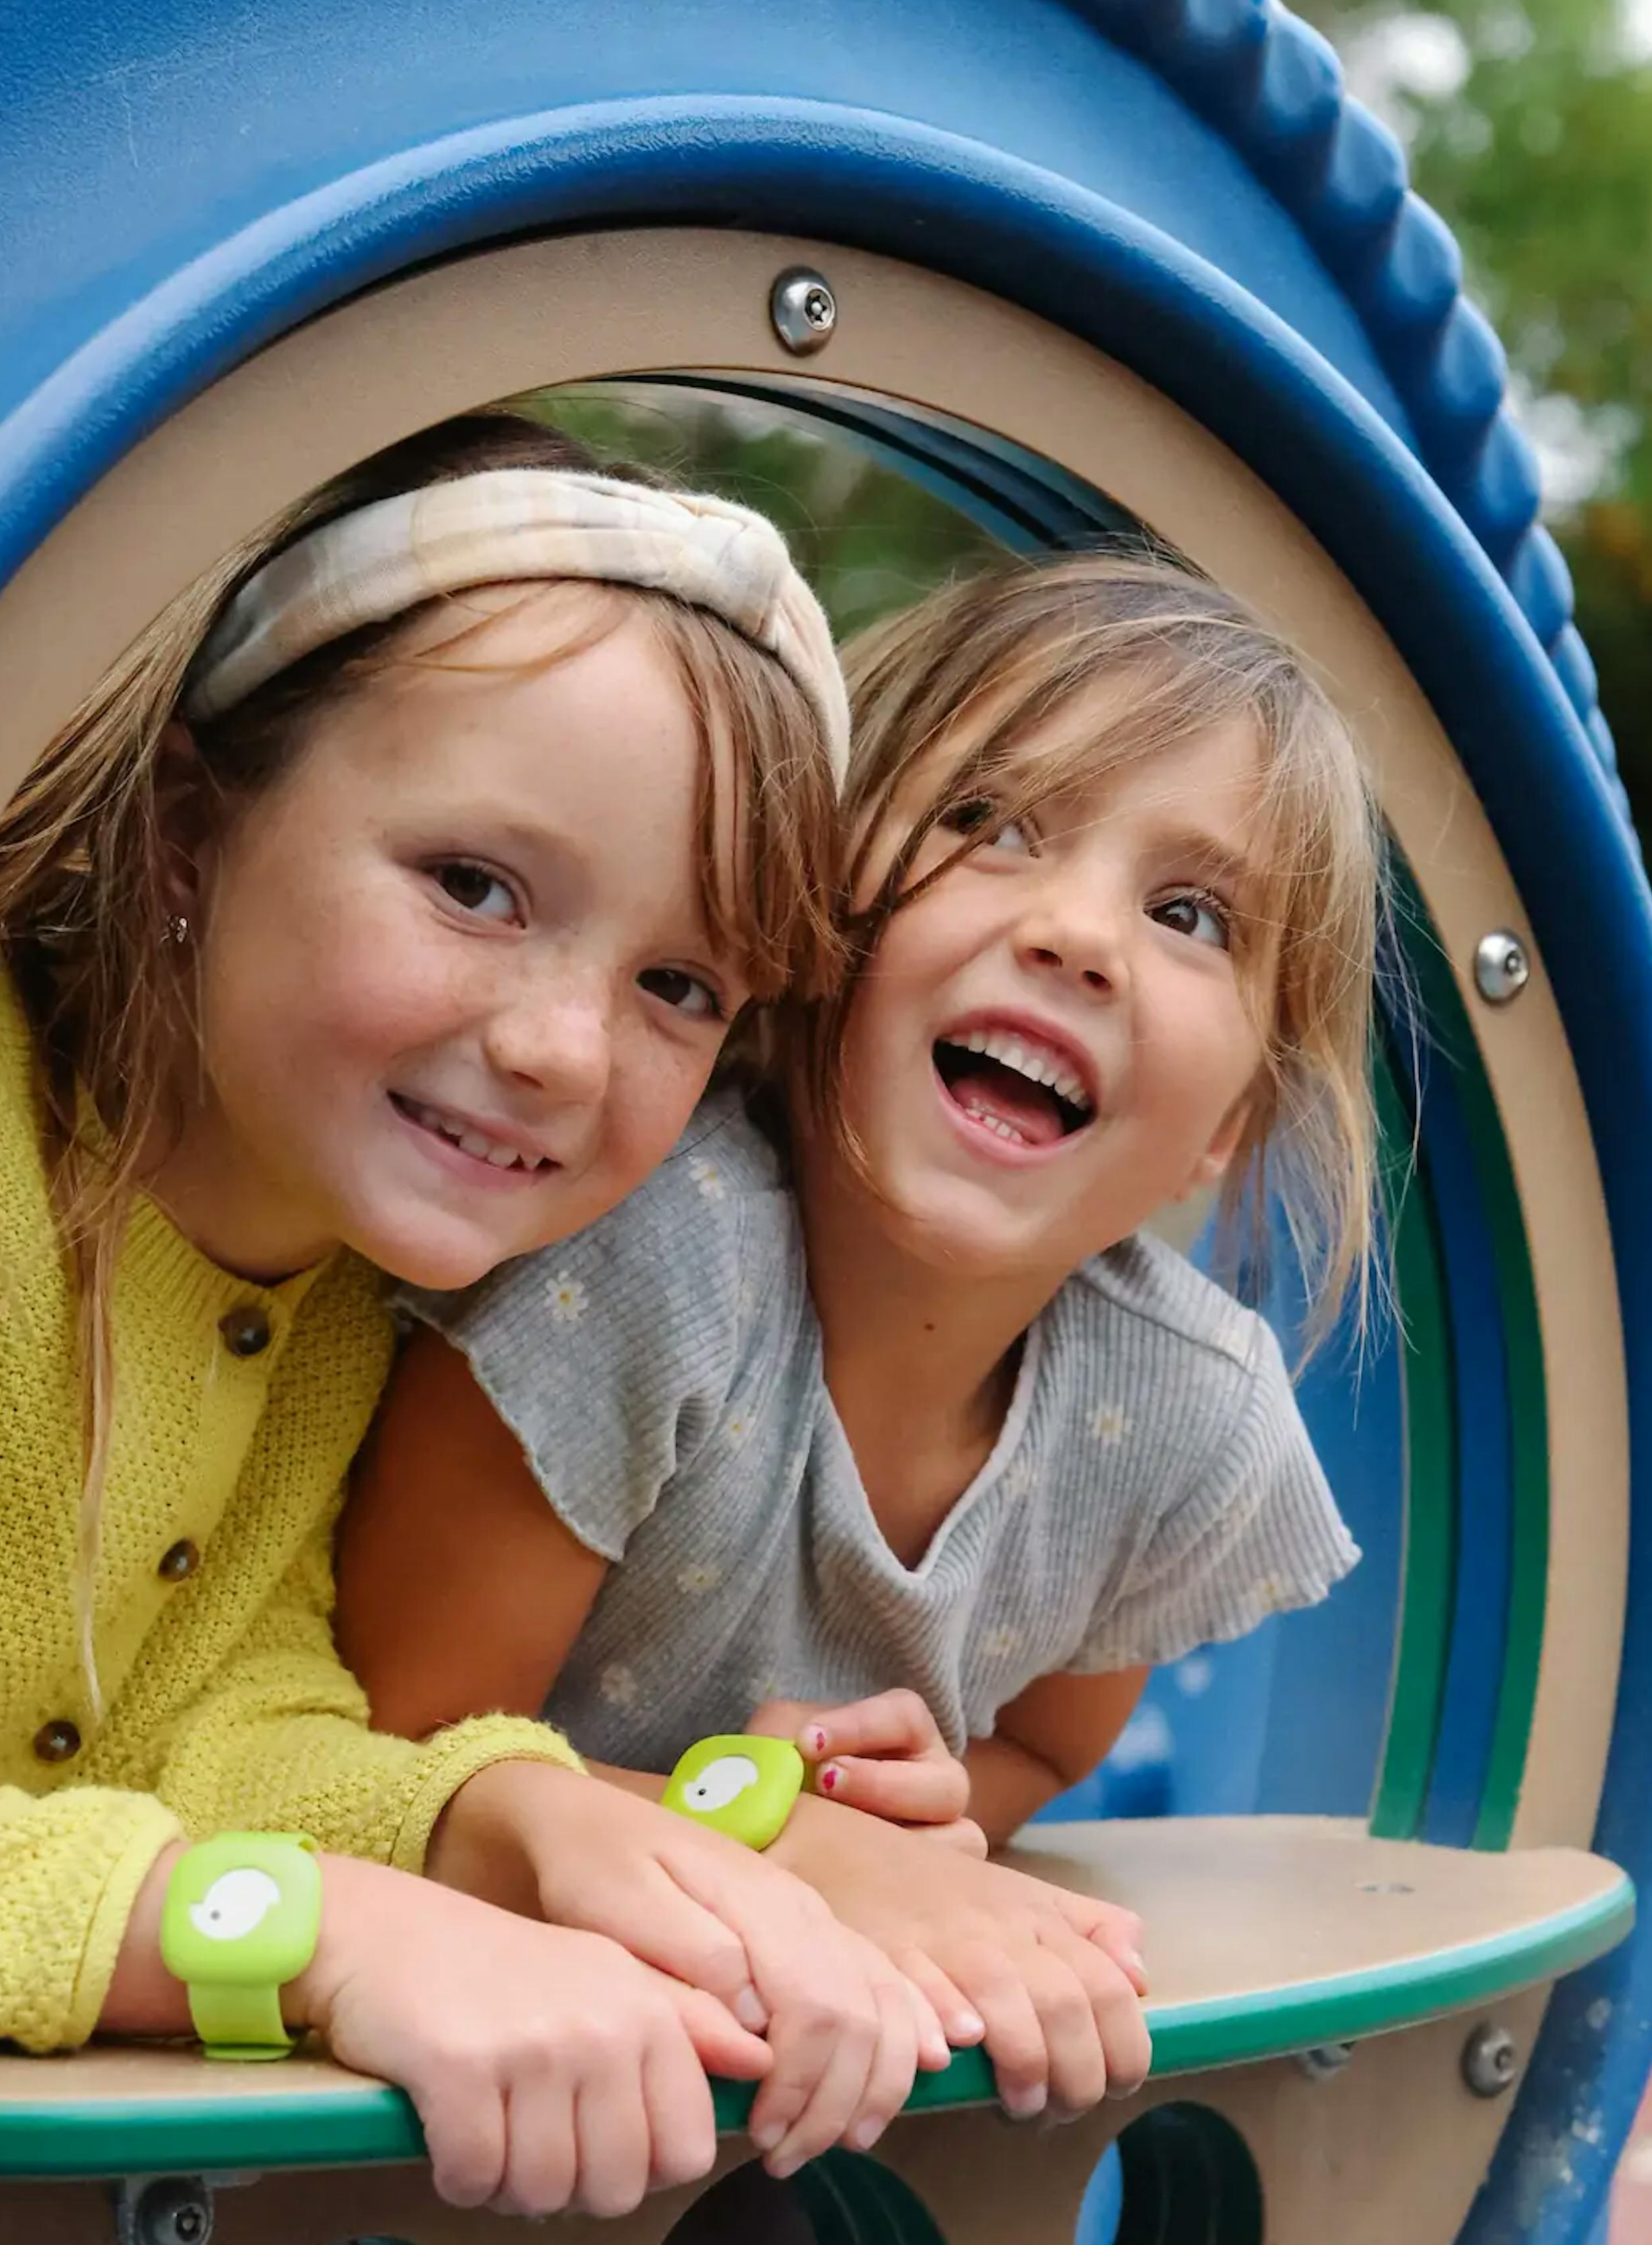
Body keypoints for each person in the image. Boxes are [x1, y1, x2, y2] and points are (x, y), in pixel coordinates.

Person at [0, 416, 966, 2224]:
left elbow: (232, 1716)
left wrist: (538, 1826)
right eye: (474, 886)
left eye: (678, 983)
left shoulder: (352, 1289)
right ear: (189, 826)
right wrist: (320, 1933)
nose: (563, 1047)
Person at [340, 549, 1384, 2144]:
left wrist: (922, 1823)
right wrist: (782, 1847)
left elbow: (1037, 1737)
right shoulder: (650, 1262)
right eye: (991, 823)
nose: (1079, 934)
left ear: (1225, 1129)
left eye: (1190, 913)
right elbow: (382, 1754)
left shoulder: (1183, 1414)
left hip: (779, 2090)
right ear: (814, 910)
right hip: (420, 2070)